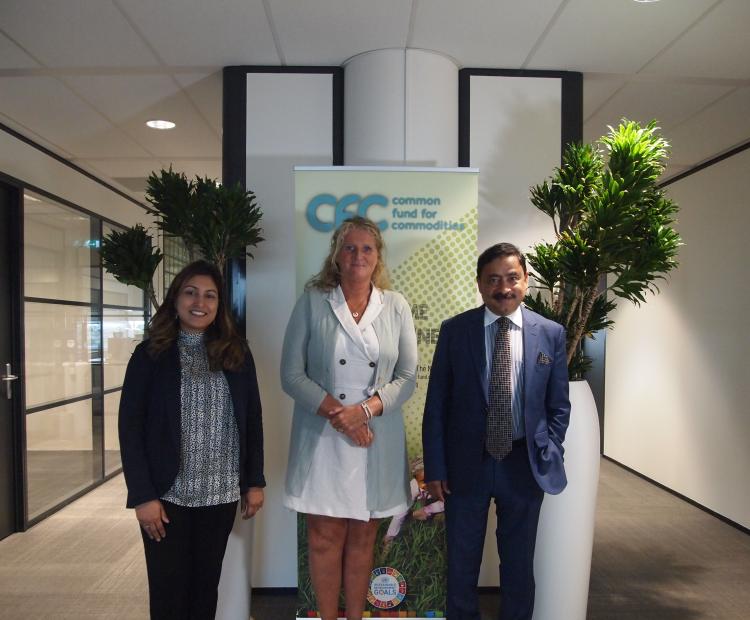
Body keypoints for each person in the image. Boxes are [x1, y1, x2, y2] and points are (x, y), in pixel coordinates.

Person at [422, 243, 570, 620]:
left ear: (525, 280)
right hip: (465, 466)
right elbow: (437, 403)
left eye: (511, 278)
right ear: (480, 284)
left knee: (519, 563)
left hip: (523, 464)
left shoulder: (550, 333)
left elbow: (559, 404)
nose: (503, 287)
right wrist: (437, 468)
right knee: (461, 561)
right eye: (493, 280)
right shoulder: (456, 331)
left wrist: (548, 448)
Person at [281, 216, 417, 620]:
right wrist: (342, 416)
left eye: (367, 248)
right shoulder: (312, 302)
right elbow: (291, 374)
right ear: (336, 256)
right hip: (323, 438)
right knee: (323, 537)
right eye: (349, 247)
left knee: (363, 537)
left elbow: (407, 377)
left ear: (378, 258)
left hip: (374, 439)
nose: (358, 255)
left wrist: (363, 413)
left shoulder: (396, 306)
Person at [118, 260, 265, 620]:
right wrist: (143, 495)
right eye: (191, 292)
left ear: (219, 306)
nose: (200, 302)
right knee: (168, 594)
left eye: (210, 295)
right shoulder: (150, 355)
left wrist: (254, 481)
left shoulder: (236, 354)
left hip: (220, 494)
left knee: (204, 590)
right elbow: (130, 428)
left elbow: (252, 420)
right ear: (176, 298)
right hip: (167, 497)